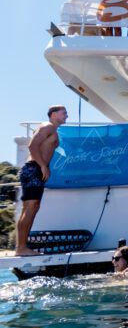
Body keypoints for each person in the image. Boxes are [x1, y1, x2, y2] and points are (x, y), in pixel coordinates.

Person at [15, 105, 68, 256]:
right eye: (64, 113)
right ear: (53, 114)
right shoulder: (48, 126)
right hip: (33, 169)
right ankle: (21, 248)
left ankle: (21, 247)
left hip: (35, 169)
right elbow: (32, 145)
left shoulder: (53, 130)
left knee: (31, 207)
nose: (67, 116)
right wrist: (43, 165)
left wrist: (43, 167)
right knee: (31, 207)